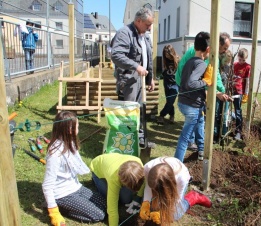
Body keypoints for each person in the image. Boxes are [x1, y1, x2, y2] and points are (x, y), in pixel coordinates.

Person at [42, 111, 106, 226]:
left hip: (76, 188)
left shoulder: (69, 142)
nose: (78, 129)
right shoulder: (55, 155)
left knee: (104, 204)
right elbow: (47, 185)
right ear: (69, 129)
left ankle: (70, 206)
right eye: (77, 126)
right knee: (99, 215)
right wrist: (53, 211)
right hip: (63, 194)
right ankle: (61, 207)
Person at [175, 32, 232, 150]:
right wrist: (214, 91)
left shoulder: (212, 55)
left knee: (199, 117)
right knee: (193, 115)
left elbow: (214, 75)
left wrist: (221, 90)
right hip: (185, 84)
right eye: (225, 48)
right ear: (218, 44)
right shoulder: (202, 56)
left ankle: (200, 147)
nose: (225, 51)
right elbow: (203, 78)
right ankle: (191, 142)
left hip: (190, 85)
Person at [111, 7, 155, 147]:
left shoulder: (145, 36)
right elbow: (116, 55)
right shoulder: (125, 33)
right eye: (147, 25)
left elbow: (148, 59)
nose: (149, 28)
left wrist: (150, 78)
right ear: (138, 21)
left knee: (140, 110)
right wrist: (136, 66)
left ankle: (140, 138)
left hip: (141, 80)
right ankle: (126, 142)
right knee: (129, 112)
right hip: (129, 81)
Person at [174, 31, 213, 162]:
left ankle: (201, 149)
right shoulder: (201, 64)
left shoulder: (189, 61)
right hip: (192, 107)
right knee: (185, 138)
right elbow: (191, 83)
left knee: (200, 122)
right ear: (208, 49)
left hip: (184, 103)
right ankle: (177, 164)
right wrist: (206, 81)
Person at [139, 157, 212, 225]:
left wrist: (163, 214)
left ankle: (193, 197)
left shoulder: (181, 179)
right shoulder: (147, 168)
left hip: (177, 183)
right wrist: (146, 203)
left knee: (175, 215)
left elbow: (176, 201)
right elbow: (148, 187)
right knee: (152, 208)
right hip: (162, 183)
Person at [89, 153, 145, 226]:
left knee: (126, 200)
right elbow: (112, 209)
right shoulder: (113, 178)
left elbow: (143, 181)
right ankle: (96, 180)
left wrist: (138, 198)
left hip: (113, 161)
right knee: (107, 195)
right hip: (97, 168)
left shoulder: (139, 164)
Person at [157, 44, 179, 124]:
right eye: (165, 54)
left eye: (168, 54)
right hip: (166, 83)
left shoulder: (178, 60)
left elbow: (181, 72)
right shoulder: (165, 61)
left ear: (172, 52)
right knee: (169, 101)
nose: (167, 56)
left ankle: (161, 115)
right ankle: (172, 115)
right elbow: (165, 72)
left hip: (175, 84)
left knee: (170, 101)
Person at [233, 48, 251, 140]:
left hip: (239, 92)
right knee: (227, 111)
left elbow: (247, 81)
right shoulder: (234, 65)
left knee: (238, 111)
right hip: (231, 90)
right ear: (237, 57)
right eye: (240, 59)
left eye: (243, 60)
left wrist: (246, 93)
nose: (241, 62)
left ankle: (238, 132)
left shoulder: (247, 67)